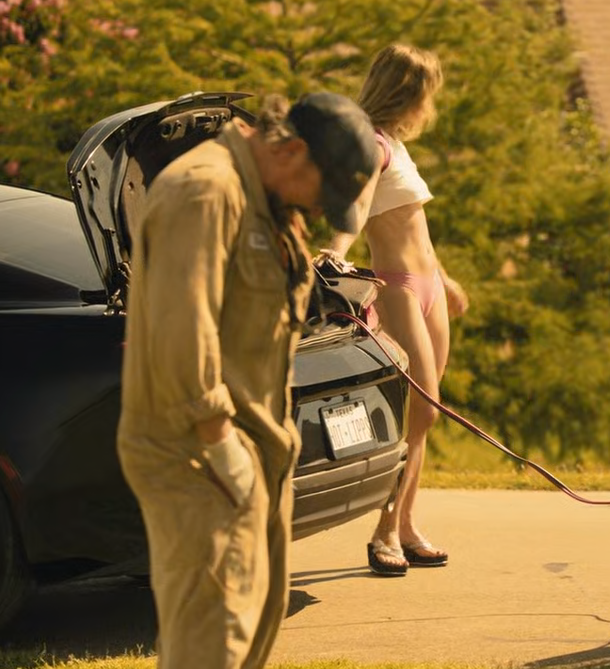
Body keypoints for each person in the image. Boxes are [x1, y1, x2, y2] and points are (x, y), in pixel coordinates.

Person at [117, 92, 379, 669]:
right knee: (214, 641)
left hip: (256, 450)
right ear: (293, 151)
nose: (318, 209)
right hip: (198, 455)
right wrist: (220, 445)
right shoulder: (204, 192)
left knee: (255, 622)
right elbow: (182, 329)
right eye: (323, 192)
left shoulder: (267, 200)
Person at [322, 43, 468, 577]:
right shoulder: (372, 144)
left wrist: (445, 279)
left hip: (429, 285)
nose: (429, 105)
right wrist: (336, 249)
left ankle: (405, 525)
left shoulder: (396, 145)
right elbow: (357, 205)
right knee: (420, 409)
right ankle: (384, 531)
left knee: (425, 417)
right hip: (399, 287)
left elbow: (413, 224)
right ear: (407, 92)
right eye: (426, 93)